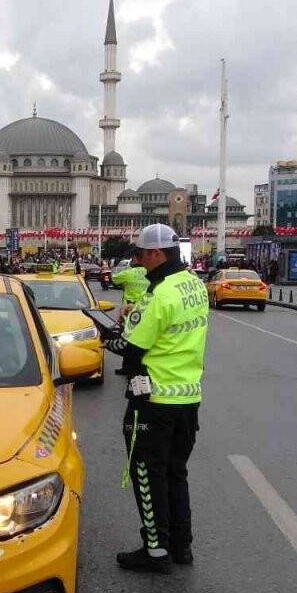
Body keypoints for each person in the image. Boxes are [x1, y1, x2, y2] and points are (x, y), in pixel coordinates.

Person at [99, 224, 207, 573]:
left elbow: (132, 351)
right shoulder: (194, 285)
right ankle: (181, 545)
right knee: (176, 472)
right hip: (187, 398)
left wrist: (104, 337)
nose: (139, 262)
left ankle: (155, 550)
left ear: (156, 254)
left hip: (154, 399)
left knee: (146, 472)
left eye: (142, 255)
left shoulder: (160, 294)